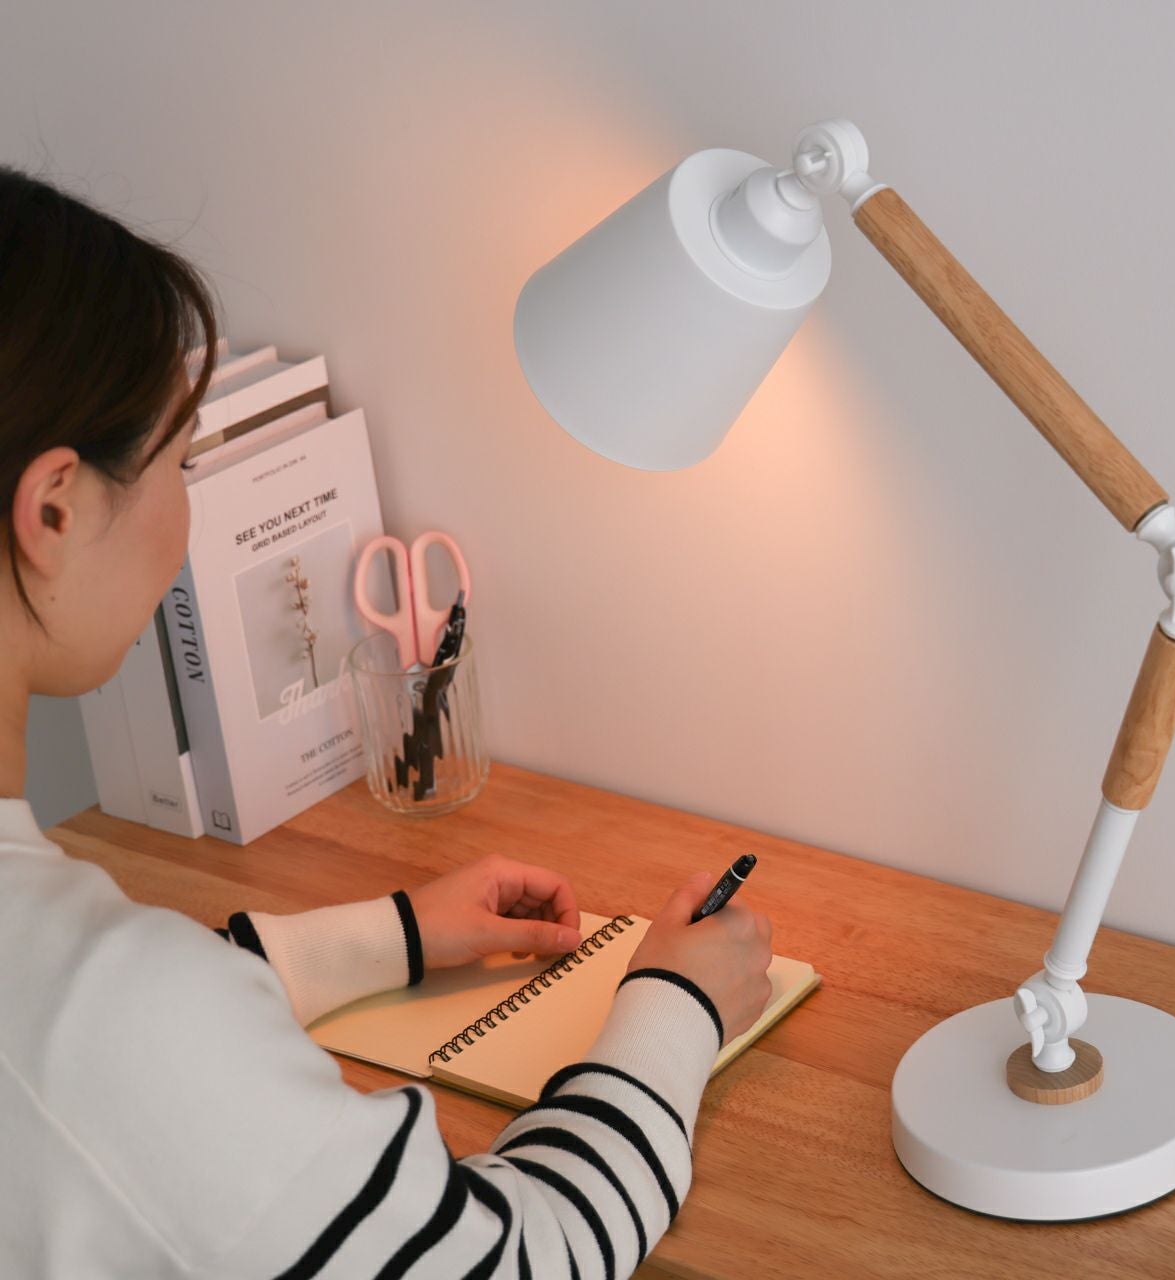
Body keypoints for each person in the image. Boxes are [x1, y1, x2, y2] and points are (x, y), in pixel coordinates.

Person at [0, 166, 775, 1279]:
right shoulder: (91, 1027)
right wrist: (676, 1006)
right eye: (182, 458)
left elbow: (128, 1028)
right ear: (55, 506)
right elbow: (522, 1258)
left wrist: (392, 936)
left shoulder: (80, 988)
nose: (187, 506)